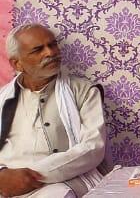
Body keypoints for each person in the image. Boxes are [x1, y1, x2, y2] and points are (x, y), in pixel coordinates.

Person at [0, 24, 106, 197]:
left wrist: (31, 177)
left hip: (58, 182)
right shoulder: (2, 98)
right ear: (17, 63)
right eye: (38, 50)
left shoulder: (83, 91)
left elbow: (93, 148)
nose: (50, 53)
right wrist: (3, 177)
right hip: (6, 182)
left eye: (52, 44)